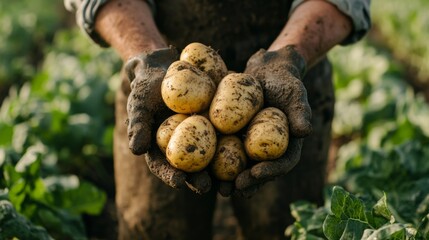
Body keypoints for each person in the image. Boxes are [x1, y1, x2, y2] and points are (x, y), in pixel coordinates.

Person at [65, 0, 371, 239]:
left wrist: (289, 55)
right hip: (157, 82)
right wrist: (146, 56)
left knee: (285, 228)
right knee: (156, 229)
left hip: (289, 77)